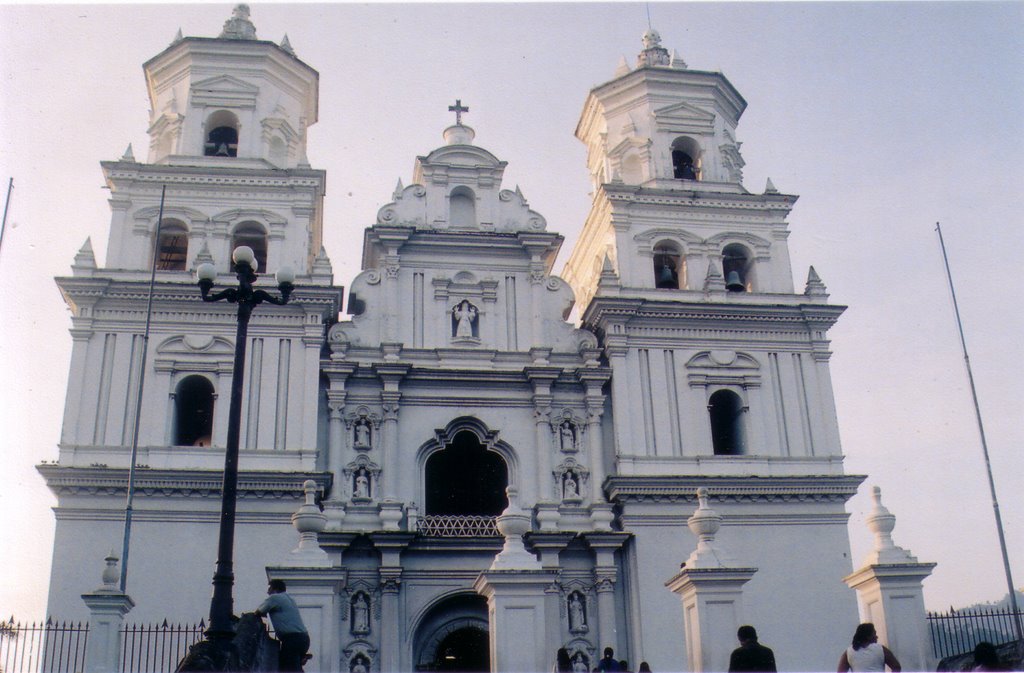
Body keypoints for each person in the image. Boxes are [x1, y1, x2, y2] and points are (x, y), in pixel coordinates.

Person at [255, 579, 310, 672]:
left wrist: (264, 613)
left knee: (287, 668)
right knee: (294, 667)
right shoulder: (290, 599)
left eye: (269, 588)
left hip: (292, 639)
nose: (268, 592)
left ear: (275, 589)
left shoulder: (275, 597)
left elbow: (258, 612)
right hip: (304, 639)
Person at [837, 623, 901, 672]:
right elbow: (896, 667)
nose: (876, 637)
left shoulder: (849, 652)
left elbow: (840, 671)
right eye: (874, 634)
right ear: (868, 636)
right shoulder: (881, 649)